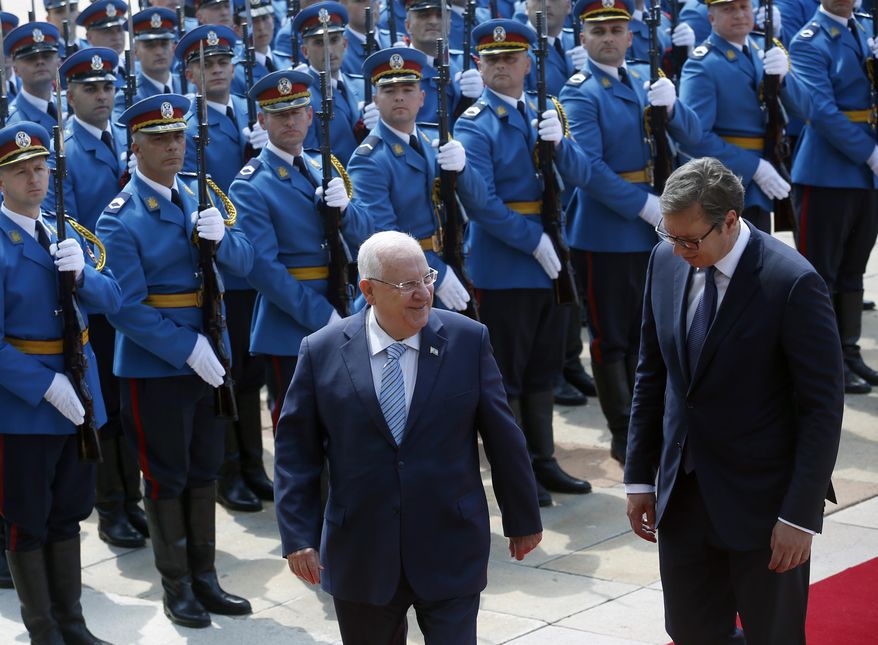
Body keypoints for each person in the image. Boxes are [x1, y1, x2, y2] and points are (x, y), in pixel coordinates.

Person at [275, 230, 543, 644]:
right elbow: (296, 454)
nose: (422, 294)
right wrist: (298, 536)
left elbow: (503, 438)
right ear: (368, 290)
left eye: (426, 279)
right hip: (362, 551)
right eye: (406, 285)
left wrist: (522, 519)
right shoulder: (321, 350)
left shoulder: (468, 340)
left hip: (449, 541)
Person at [625, 157, 843, 645]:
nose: (679, 250)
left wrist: (799, 515)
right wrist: (639, 476)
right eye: (670, 235)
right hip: (682, 499)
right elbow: (652, 374)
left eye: (690, 239)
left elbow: (822, 408)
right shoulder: (664, 262)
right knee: (690, 632)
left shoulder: (792, 283)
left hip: (763, 509)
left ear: (730, 221)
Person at [95, 93, 254, 628]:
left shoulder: (200, 194)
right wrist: (186, 348)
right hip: (156, 366)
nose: (171, 147)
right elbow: (125, 307)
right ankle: (177, 585)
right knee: (165, 475)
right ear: (134, 145)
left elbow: (245, 261)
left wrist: (223, 238)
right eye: (159, 139)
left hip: (211, 350)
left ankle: (205, 577)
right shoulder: (121, 217)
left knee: (204, 469)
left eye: (178, 137)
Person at [453, 18, 593, 507]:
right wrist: (532, 240)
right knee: (506, 377)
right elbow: (481, 202)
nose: (501, 67)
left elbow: (578, 174)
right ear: (478, 65)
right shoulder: (475, 124)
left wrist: (561, 142)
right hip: (508, 261)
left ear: (529, 62)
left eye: (510, 58)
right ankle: (516, 476)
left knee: (543, 367)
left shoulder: (542, 110)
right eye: (491, 60)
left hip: (550, 255)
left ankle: (544, 460)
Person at [560, 0, 702, 464]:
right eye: (598, 30)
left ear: (630, 35)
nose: (608, 38)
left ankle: (655, 419)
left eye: (616, 29)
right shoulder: (581, 91)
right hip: (609, 232)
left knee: (656, 333)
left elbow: (692, 137)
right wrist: (644, 206)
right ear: (583, 37)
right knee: (612, 336)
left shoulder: (644, 79)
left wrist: (674, 105)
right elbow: (590, 170)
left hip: (657, 227)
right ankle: (623, 429)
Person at [0, 122, 121, 645]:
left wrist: (86, 277)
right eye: (20, 171)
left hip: (79, 390)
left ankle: (73, 623)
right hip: (25, 404)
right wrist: (42, 384)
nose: (34, 179)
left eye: (40, 168)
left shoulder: (63, 231)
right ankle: (44, 630)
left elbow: (114, 301)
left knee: (69, 514)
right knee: (27, 519)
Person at [46, 46, 151, 552]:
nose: (103, 96)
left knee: (132, 406)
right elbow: (58, 225)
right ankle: (113, 508)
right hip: (97, 297)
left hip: (135, 291)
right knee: (104, 406)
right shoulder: (61, 153)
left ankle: (133, 499)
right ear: (69, 93)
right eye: (91, 88)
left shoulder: (123, 142)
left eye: (108, 87)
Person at [230, 69, 372, 429]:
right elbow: (264, 270)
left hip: (344, 306)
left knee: (347, 429)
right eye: (279, 114)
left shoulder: (324, 166)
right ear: (262, 120)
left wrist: (346, 212)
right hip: (293, 324)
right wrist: (322, 317)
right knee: (300, 435)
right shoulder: (251, 184)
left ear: (310, 115)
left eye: (296, 111)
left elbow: (368, 237)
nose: (290, 121)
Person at [177, 23, 272, 512]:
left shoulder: (245, 116)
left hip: (255, 260)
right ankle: (230, 471)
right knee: (228, 372)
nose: (216, 72)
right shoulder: (188, 128)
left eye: (222, 63)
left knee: (252, 374)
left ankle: (254, 465)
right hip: (222, 267)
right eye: (206, 65)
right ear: (189, 73)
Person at [348, 46, 485, 313]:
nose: (399, 97)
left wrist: (464, 168)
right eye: (389, 91)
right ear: (376, 99)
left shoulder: (432, 140)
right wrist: (439, 275)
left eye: (408, 90)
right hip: (400, 284)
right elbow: (385, 237)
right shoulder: (369, 159)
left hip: (446, 260)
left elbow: (479, 202)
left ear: (422, 97)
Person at [788, 0, 878, 393]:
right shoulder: (808, 40)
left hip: (867, 173)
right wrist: (869, 153)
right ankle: (823, 364)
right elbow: (820, 111)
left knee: (854, 269)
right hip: (828, 171)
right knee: (820, 274)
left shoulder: (866, 27)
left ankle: (849, 351)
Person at [678, 0, 810, 234]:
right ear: (711, 18)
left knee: (756, 260)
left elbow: (806, 110)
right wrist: (754, 167)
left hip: (766, 173)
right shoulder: (702, 65)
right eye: (728, 9)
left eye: (744, 7)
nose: (739, 14)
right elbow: (696, 138)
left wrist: (785, 80)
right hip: (724, 183)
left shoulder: (765, 49)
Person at [294, 1, 366, 164]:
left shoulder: (362, 86)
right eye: (319, 43)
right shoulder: (304, 99)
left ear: (345, 44)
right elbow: (310, 157)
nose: (329, 50)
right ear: (305, 51)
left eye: (334, 40)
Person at [5, 22, 61, 131]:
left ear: (58, 62)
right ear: (15, 69)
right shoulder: (13, 123)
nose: (40, 62)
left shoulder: (69, 107)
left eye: (47, 56)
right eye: (31, 58)